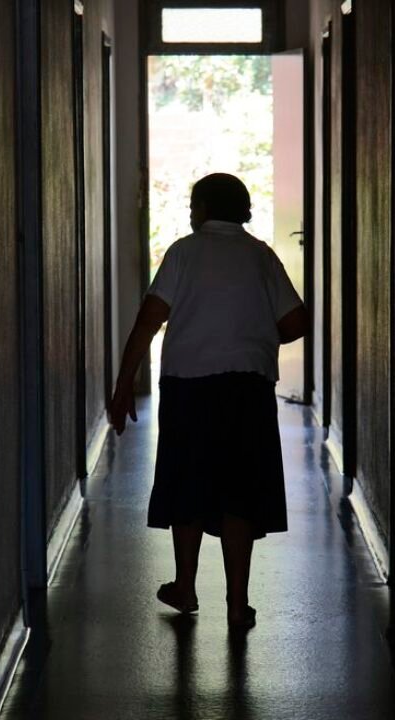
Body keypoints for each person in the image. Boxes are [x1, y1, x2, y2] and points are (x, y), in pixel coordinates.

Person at [108, 173, 307, 631]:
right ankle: (238, 603)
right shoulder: (261, 255)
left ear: (201, 210)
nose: (190, 214)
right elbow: (296, 320)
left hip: (189, 385)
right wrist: (256, 335)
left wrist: (123, 384)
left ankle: (185, 586)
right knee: (240, 492)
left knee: (188, 483)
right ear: (243, 210)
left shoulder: (183, 252)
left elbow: (149, 319)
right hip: (248, 386)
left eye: (192, 206)